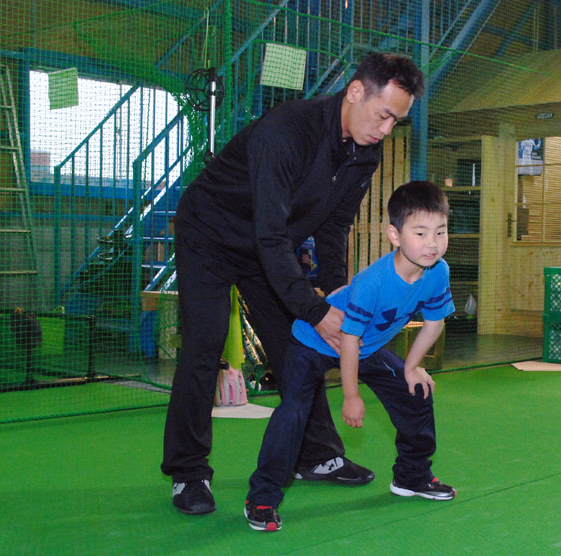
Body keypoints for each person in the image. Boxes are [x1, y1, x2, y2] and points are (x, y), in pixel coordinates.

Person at [162, 53, 425, 515]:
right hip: (212, 234)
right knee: (204, 342)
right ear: (356, 92)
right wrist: (316, 309)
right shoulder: (285, 132)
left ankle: (317, 455)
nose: (386, 130)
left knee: (296, 346)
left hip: (271, 245)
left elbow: (334, 227)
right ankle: (188, 473)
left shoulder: (365, 150)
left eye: (396, 122)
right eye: (384, 115)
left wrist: (343, 303)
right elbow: (269, 234)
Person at [244, 180, 456, 532]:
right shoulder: (374, 282)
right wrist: (352, 395)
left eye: (441, 232)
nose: (432, 243)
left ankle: (412, 477)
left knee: (416, 393)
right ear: (395, 234)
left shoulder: (438, 273)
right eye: (420, 233)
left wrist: (411, 368)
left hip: (364, 348)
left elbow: (433, 324)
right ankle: (262, 497)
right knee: (294, 412)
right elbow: (346, 339)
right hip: (313, 343)